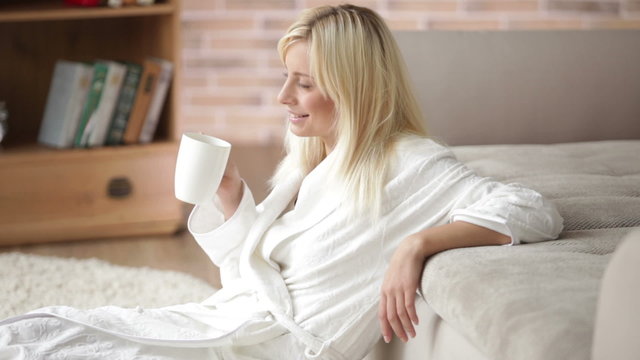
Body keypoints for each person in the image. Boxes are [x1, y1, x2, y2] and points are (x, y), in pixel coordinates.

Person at [0, 4, 563, 360]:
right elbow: (254, 273)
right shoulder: (315, 155)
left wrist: (418, 245)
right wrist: (232, 199)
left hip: (278, 348)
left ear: (354, 87)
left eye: (303, 83)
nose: (282, 98)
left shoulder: (410, 163)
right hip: (234, 324)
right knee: (44, 331)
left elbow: (533, 209)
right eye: (285, 78)